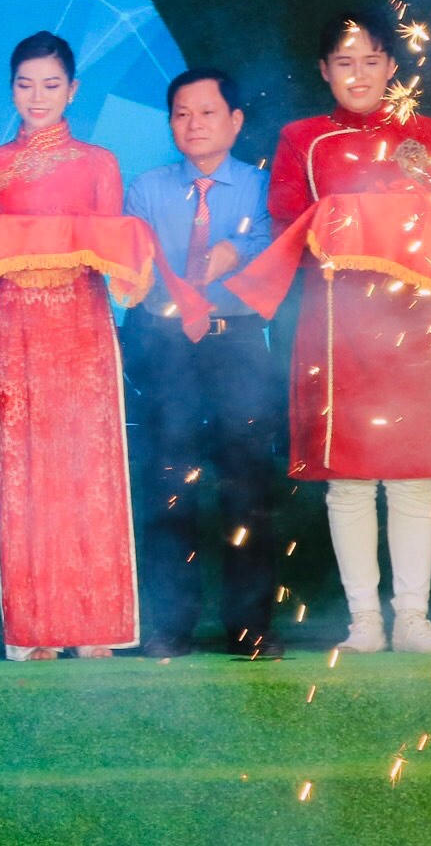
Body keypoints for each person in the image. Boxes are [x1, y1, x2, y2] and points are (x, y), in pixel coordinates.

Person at [270, 14, 431, 655]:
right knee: (349, 481)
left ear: (392, 67)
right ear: (324, 70)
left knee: (413, 478)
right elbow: (286, 224)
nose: (359, 75)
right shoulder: (302, 139)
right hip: (337, 326)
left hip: (416, 323)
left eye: (372, 60)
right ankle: (364, 623)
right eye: (345, 62)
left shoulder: (427, 134)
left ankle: (413, 619)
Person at [0, 32, 137, 660]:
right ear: (11, 88)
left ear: (73, 90)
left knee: (90, 467)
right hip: (16, 328)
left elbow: (112, 251)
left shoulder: (99, 163)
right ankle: (35, 629)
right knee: (25, 472)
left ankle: (96, 627)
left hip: (84, 326)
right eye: (25, 84)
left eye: (51, 85)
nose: (37, 97)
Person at [122, 68, 282, 660]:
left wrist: (234, 251)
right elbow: (135, 264)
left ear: (235, 121)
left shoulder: (262, 187)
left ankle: (251, 625)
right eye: (182, 114)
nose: (193, 124)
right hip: (167, 347)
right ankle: (171, 625)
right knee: (169, 484)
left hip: (237, 344)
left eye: (207, 112)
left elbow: (276, 246)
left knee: (248, 485)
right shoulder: (147, 189)